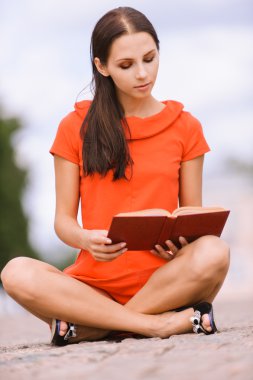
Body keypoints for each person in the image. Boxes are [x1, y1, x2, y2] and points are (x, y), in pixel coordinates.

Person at [1, 6, 230, 345]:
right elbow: (63, 221)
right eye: (127, 65)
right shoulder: (73, 127)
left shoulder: (186, 127)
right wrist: (85, 240)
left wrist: (181, 241)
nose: (142, 73)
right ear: (102, 66)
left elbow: (190, 215)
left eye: (150, 58)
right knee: (14, 272)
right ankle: (155, 325)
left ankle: (94, 328)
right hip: (92, 286)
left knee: (214, 251)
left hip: (166, 282)